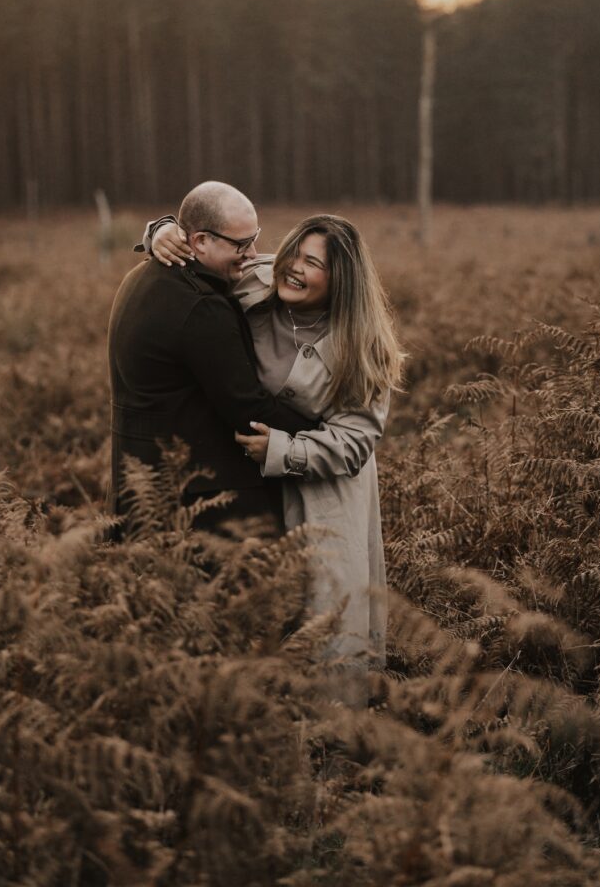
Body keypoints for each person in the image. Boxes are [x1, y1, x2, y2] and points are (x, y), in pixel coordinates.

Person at [146, 209, 405, 697]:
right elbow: (204, 240)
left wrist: (283, 448)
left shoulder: (363, 345)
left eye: (313, 264)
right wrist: (160, 232)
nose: (294, 268)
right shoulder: (257, 280)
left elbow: (355, 443)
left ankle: (333, 752)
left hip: (325, 499)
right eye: (294, 253)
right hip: (253, 491)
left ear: (342, 283)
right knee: (261, 621)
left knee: (327, 624)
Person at [108, 181, 315, 537]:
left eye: (255, 238)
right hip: (203, 504)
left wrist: (157, 229)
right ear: (200, 241)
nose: (252, 253)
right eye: (241, 244)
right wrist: (326, 431)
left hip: (140, 491)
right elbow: (248, 409)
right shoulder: (202, 307)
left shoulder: (139, 276)